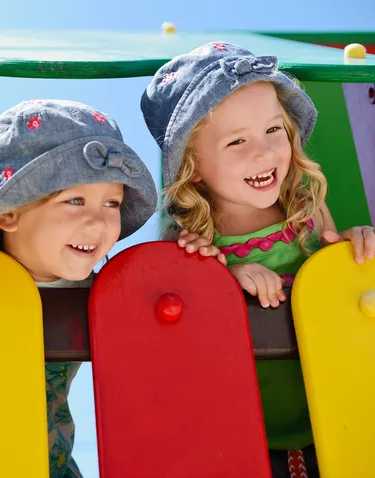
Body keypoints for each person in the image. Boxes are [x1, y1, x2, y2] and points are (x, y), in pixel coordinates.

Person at [0, 99, 222, 477]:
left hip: (49, 464)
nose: (97, 221)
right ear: (9, 213)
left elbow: (163, 335)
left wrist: (189, 264)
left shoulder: (99, 292)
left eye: (111, 203)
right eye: (75, 200)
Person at [140, 42, 374, 477]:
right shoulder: (191, 242)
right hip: (243, 436)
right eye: (236, 141)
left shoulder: (306, 212)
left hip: (339, 418)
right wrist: (222, 279)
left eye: (273, 130)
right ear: (192, 166)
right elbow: (179, 330)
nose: (264, 153)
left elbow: (338, 288)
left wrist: (354, 249)